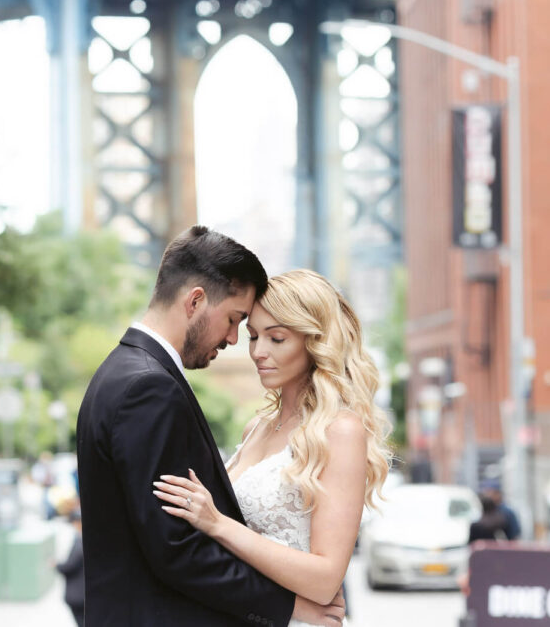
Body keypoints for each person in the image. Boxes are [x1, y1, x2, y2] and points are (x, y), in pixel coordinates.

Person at [77, 226, 345, 627]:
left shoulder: (120, 372)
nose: (238, 342)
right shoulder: (148, 388)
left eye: (271, 336)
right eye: (236, 321)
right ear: (196, 301)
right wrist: (288, 607)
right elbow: (177, 548)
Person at [154, 269, 390, 625]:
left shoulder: (339, 431)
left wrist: (217, 523)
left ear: (315, 341)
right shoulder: (256, 427)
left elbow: (326, 580)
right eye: (253, 337)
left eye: (277, 338)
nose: (258, 352)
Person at [57, 507, 84, 626]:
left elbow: (69, 566)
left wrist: (57, 565)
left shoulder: (80, 542)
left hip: (79, 594)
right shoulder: (80, 540)